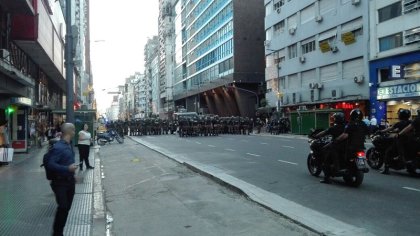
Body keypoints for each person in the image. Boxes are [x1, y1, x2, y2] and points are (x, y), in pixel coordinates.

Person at [47, 123, 79, 236]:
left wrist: (72, 174)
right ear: (70, 132)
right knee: (63, 207)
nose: (75, 132)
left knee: (67, 208)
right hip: (59, 182)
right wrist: (67, 168)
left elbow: (67, 162)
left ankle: (59, 230)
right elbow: (50, 164)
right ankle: (57, 233)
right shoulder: (58, 147)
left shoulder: (68, 145)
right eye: (74, 130)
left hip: (69, 181)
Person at [322, 109, 368, 184]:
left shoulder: (351, 124)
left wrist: (336, 140)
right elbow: (368, 133)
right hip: (361, 147)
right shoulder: (363, 124)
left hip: (350, 147)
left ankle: (331, 173)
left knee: (331, 151)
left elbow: (345, 135)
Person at [314, 112, 346, 184]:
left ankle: (327, 178)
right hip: (345, 147)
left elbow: (324, 132)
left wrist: (316, 136)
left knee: (326, 158)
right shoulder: (346, 127)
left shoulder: (334, 128)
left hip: (336, 146)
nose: (333, 119)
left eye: (334, 118)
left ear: (336, 119)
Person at [379, 109, 411, 175]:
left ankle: (386, 169)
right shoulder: (410, 122)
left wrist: (381, 131)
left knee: (388, 152)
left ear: (401, 115)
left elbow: (390, 128)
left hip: (400, 141)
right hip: (409, 141)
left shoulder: (399, 123)